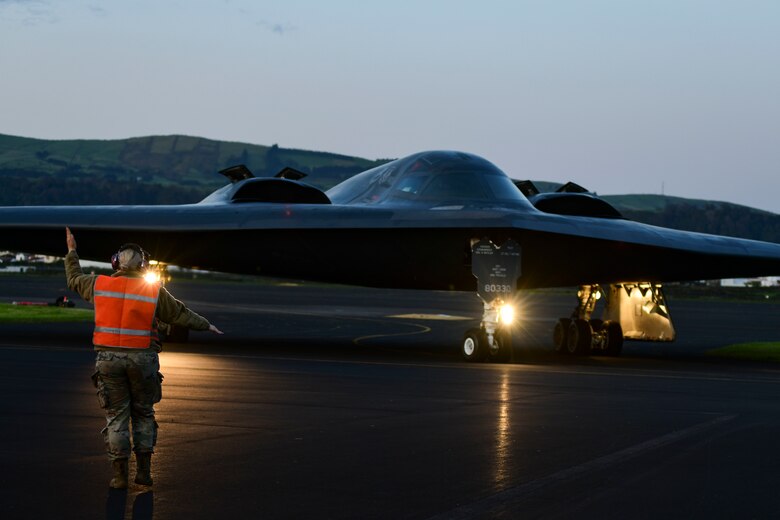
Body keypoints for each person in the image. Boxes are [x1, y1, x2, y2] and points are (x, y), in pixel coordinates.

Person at [64, 227, 223, 489]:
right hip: (142, 360)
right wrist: (207, 325)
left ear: (116, 263)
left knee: (116, 417)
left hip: (108, 361)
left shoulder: (99, 284)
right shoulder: (152, 290)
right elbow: (179, 314)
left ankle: (119, 477)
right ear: (143, 265)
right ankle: (145, 473)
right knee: (144, 414)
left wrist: (72, 250)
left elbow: (74, 278)